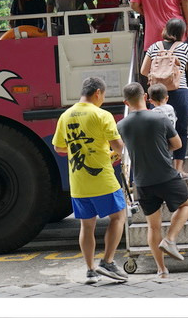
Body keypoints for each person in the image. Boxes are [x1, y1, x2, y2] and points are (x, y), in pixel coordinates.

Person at [52, 77, 128, 285]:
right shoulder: (102, 115)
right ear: (97, 93)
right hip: (102, 179)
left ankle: (90, 271)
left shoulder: (65, 116)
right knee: (118, 217)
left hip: (78, 182)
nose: (102, 99)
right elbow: (119, 146)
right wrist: (116, 153)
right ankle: (108, 262)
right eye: (103, 95)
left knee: (86, 226)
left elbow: (59, 148)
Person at [118, 81, 188, 279]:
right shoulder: (159, 118)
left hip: (142, 182)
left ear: (126, 103)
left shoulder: (121, 125)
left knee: (153, 226)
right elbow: (177, 144)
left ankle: (161, 269)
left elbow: (121, 150)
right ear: (144, 97)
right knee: (186, 204)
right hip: (166, 176)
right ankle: (170, 239)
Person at [140, 18, 188, 177]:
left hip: (157, 93)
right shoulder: (185, 47)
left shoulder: (154, 47)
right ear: (183, 33)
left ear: (165, 30)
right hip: (179, 91)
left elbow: (143, 71)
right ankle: (178, 169)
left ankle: (161, 166)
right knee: (180, 129)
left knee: (156, 131)